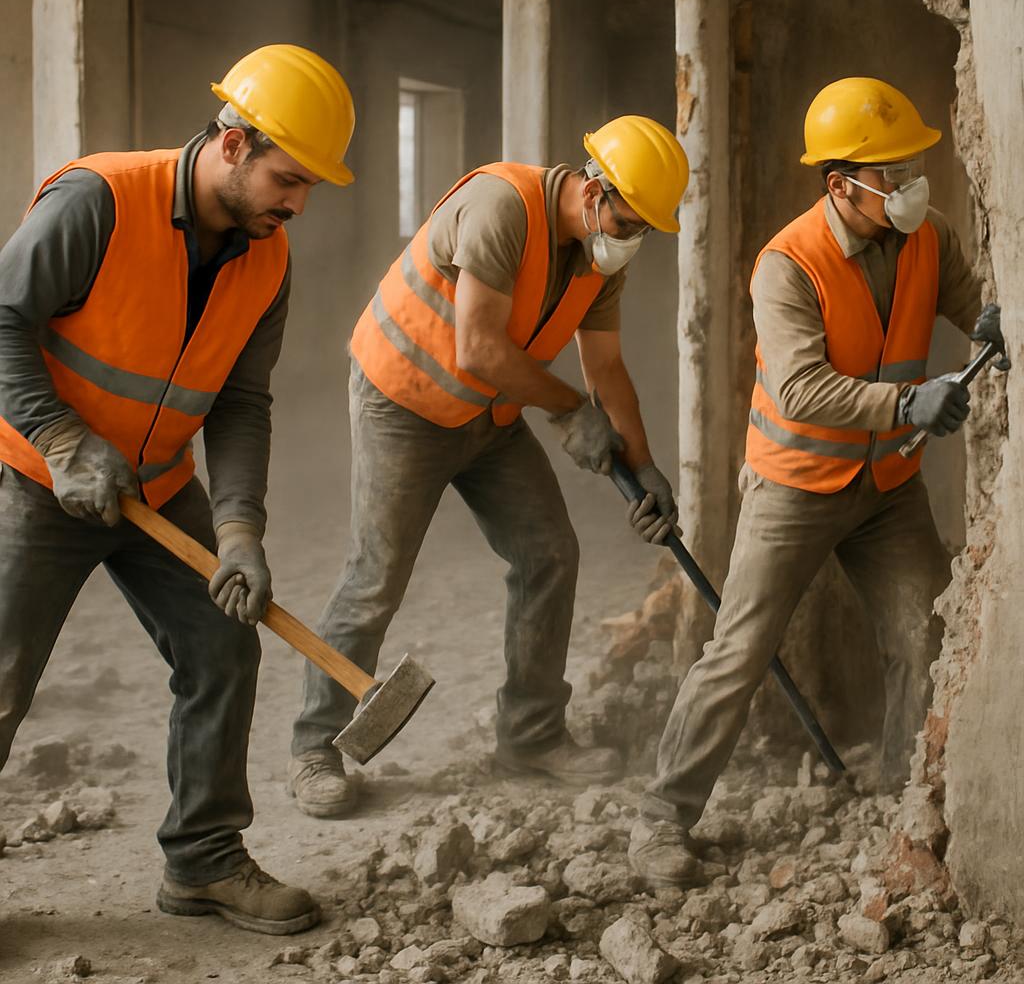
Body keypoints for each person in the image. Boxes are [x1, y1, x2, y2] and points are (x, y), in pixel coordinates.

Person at [0, 44, 356, 934]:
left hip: (156, 486)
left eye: (310, 186)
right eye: (288, 178)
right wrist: (61, 440)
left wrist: (239, 532)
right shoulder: (99, 200)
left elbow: (239, 401)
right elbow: (2, 320)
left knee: (223, 647)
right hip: (35, 477)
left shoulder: (266, 256)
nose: (298, 204)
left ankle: (203, 861)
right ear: (233, 143)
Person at [626, 77, 1009, 888]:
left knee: (921, 630)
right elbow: (801, 389)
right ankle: (661, 817)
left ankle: (908, 791)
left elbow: (969, 297)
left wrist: (990, 317)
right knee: (740, 650)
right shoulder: (787, 264)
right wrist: (908, 402)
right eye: (892, 174)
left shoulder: (928, 234)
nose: (911, 185)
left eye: (913, 168)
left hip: (888, 485)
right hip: (795, 488)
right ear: (841, 185)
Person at [288, 116, 690, 818]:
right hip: (403, 401)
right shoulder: (502, 208)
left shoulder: (599, 260)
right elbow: (478, 347)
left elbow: (606, 367)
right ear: (593, 189)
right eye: (628, 222)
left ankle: (531, 737)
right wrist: (568, 411)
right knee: (376, 576)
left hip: (486, 413)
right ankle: (315, 748)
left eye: (643, 230)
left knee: (549, 552)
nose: (631, 240)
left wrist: (643, 463)